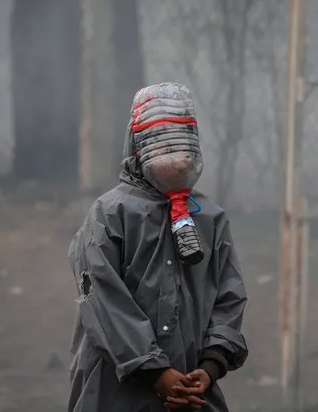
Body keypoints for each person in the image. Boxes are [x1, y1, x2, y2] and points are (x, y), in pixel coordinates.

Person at [67, 82, 248, 411]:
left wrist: (208, 368)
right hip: (116, 391)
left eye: (183, 143)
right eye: (162, 144)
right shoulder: (110, 215)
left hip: (192, 394)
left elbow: (229, 297)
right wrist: (153, 370)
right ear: (137, 146)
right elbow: (103, 302)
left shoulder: (208, 218)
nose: (178, 159)